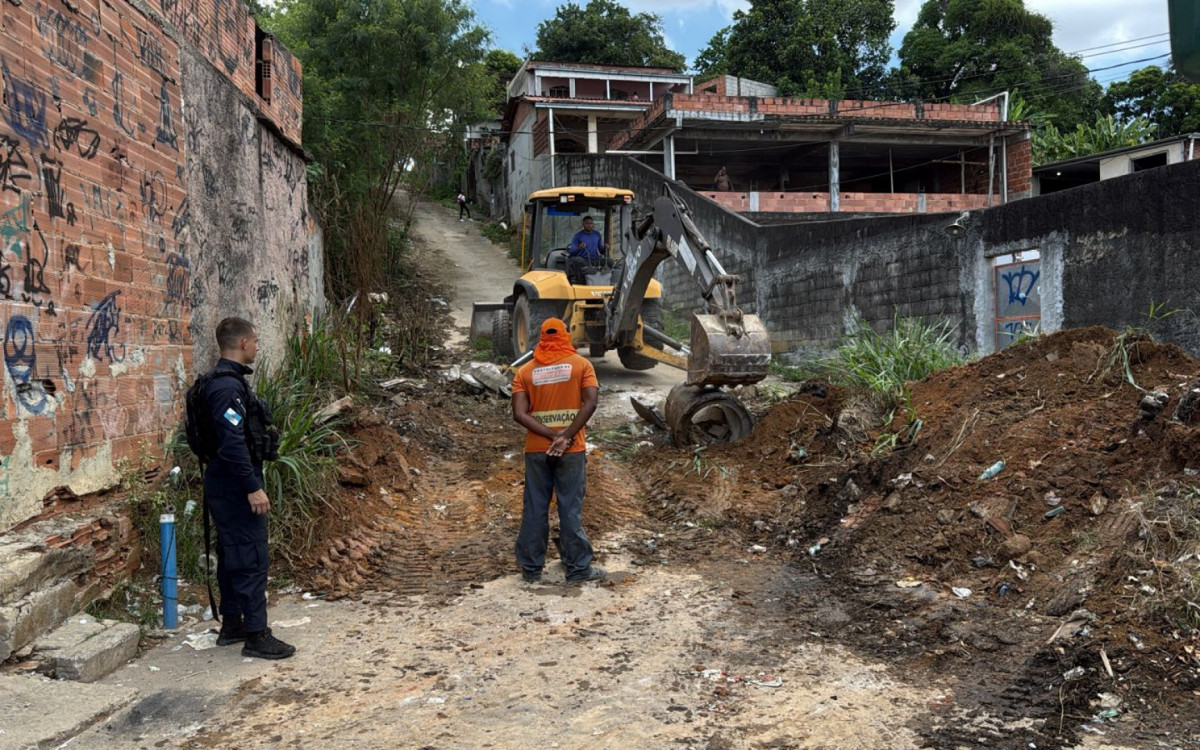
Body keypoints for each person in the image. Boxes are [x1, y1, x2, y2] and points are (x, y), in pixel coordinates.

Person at [201, 317, 295, 660]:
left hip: (227, 480)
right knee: (251, 556)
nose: (257, 346)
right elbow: (232, 444)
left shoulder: (225, 382)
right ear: (242, 343)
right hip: (235, 482)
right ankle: (257, 634)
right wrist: (253, 487)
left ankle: (233, 624)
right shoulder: (226, 388)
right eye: (255, 341)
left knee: (232, 554)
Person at [511, 318, 605, 584]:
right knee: (569, 508)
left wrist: (552, 436)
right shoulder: (582, 366)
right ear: (565, 336)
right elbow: (591, 402)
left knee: (535, 508)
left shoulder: (525, 372)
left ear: (540, 337)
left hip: (537, 450)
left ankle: (531, 569)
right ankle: (578, 569)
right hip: (571, 450)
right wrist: (565, 436)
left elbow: (519, 414)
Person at [567, 216, 608, 284]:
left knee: (610, 261)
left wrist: (605, 248)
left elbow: (601, 251)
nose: (589, 225)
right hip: (583, 259)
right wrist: (579, 247)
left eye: (591, 223)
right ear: (583, 224)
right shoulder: (577, 236)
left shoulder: (597, 234)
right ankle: (581, 284)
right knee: (578, 261)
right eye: (587, 223)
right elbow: (572, 252)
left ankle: (606, 282)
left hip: (594, 259)